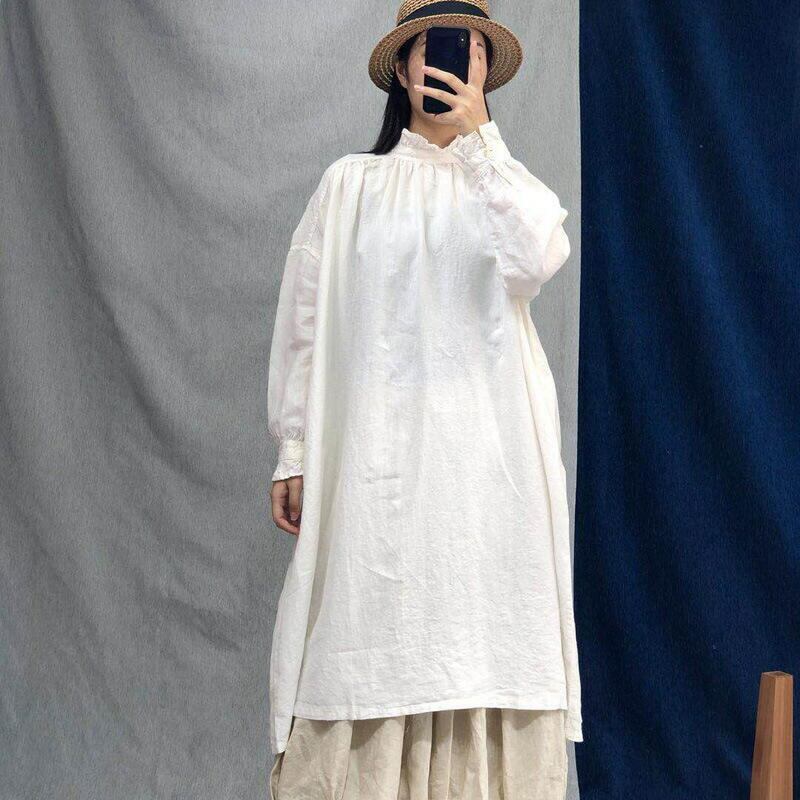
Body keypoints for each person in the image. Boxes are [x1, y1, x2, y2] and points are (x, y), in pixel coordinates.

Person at [266, 1, 582, 797]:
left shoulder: (504, 188)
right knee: (362, 644)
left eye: (468, 52)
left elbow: (539, 255)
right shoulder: (351, 185)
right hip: (376, 478)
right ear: (402, 68)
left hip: (487, 484)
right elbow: (306, 320)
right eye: (432, 50)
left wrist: (482, 142)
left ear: (485, 72)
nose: (446, 66)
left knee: (484, 641)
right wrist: (294, 449)